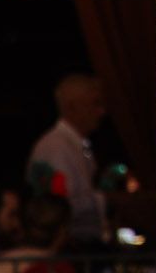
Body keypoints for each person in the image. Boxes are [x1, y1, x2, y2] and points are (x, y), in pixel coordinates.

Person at [28, 73, 108, 251]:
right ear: (72, 107)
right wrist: (108, 200)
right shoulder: (56, 147)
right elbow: (60, 205)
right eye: (95, 103)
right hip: (68, 248)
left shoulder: (75, 144)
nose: (101, 112)